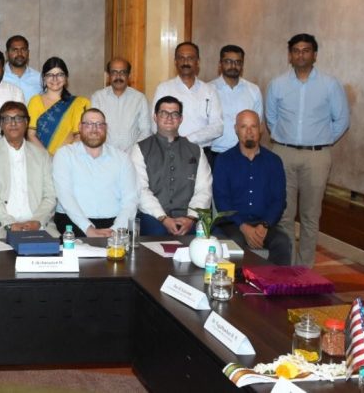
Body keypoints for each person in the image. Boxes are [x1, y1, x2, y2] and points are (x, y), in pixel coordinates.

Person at [267, 33, 350, 267]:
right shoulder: (278, 84)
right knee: (283, 214)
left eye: (305, 50)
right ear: (289, 55)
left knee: (310, 216)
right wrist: (286, 139)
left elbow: (342, 119)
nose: (300, 54)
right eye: (296, 50)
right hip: (283, 154)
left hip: (317, 156)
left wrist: (321, 139)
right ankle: (285, 266)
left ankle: (305, 269)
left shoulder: (330, 84)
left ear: (314, 55)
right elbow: (271, 119)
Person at [212, 110, 291, 265]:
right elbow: (221, 200)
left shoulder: (274, 161)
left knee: (282, 242)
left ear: (260, 129)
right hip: (232, 224)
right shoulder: (224, 161)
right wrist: (243, 226)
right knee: (234, 243)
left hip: (265, 223)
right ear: (236, 129)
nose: (249, 132)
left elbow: (279, 200)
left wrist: (265, 225)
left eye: (253, 126)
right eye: (243, 127)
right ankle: (239, 286)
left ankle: (276, 286)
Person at [0, 101, 58, 239]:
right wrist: (9, 223)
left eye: (18, 118)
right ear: (0, 125)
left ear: (26, 122)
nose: (13, 123)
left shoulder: (41, 154)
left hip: (37, 223)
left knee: (59, 248)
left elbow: (50, 194)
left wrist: (37, 221)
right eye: (7, 119)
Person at [132, 96, 213, 236]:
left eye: (174, 114)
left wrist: (190, 218)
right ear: (155, 117)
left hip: (189, 217)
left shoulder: (196, 150)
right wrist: (163, 219)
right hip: (153, 217)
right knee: (157, 233)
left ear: (181, 119)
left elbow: (204, 190)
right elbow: (141, 190)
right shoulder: (140, 149)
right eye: (164, 113)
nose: (169, 118)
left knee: (212, 237)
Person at [52, 108, 138, 238]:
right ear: (80, 127)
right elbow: (65, 196)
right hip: (72, 222)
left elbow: (130, 199)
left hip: (115, 223)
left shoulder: (122, 158)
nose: (94, 129)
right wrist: (88, 229)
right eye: (89, 124)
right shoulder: (64, 155)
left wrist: (116, 229)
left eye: (99, 124)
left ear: (106, 128)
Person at [152, 41, 222, 150]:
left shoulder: (209, 90)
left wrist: (186, 140)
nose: (185, 62)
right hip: (170, 150)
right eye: (181, 58)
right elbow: (155, 122)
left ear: (197, 62)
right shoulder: (164, 89)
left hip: (201, 151)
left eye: (190, 58)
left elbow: (218, 127)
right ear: (175, 62)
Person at [208, 44, 263, 168]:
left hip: (246, 154)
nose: (233, 66)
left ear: (242, 65)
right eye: (228, 61)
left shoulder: (253, 90)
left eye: (238, 62)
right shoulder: (209, 89)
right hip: (217, 154)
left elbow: (258, 125)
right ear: (220, 64)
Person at [27, 57, 91, 155]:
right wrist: (47, 157)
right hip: (40, 159)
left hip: (69, 159)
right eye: (50, 75)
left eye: (60, 74)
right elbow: (30, 135)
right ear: (44, 78)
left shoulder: (78, 103)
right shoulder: (35, 101)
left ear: (66, 78)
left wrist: (62, 159)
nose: (55, 79)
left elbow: (79, 137)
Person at [89, 58, 151, 153]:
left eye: (123, 72)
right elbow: (93, 129)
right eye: (114, 72)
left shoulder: (140, 99)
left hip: (132, 157)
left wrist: (133, 153)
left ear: (129, 75)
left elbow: (146, 131)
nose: (118, 76)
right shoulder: (98, 97)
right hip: (104, 156)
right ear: (108, 76)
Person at [2, 35, 41, 103]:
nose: (19, 53)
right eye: (15, 50)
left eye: (23, 49)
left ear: (28, 53)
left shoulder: (39, 78)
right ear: (7, 54)